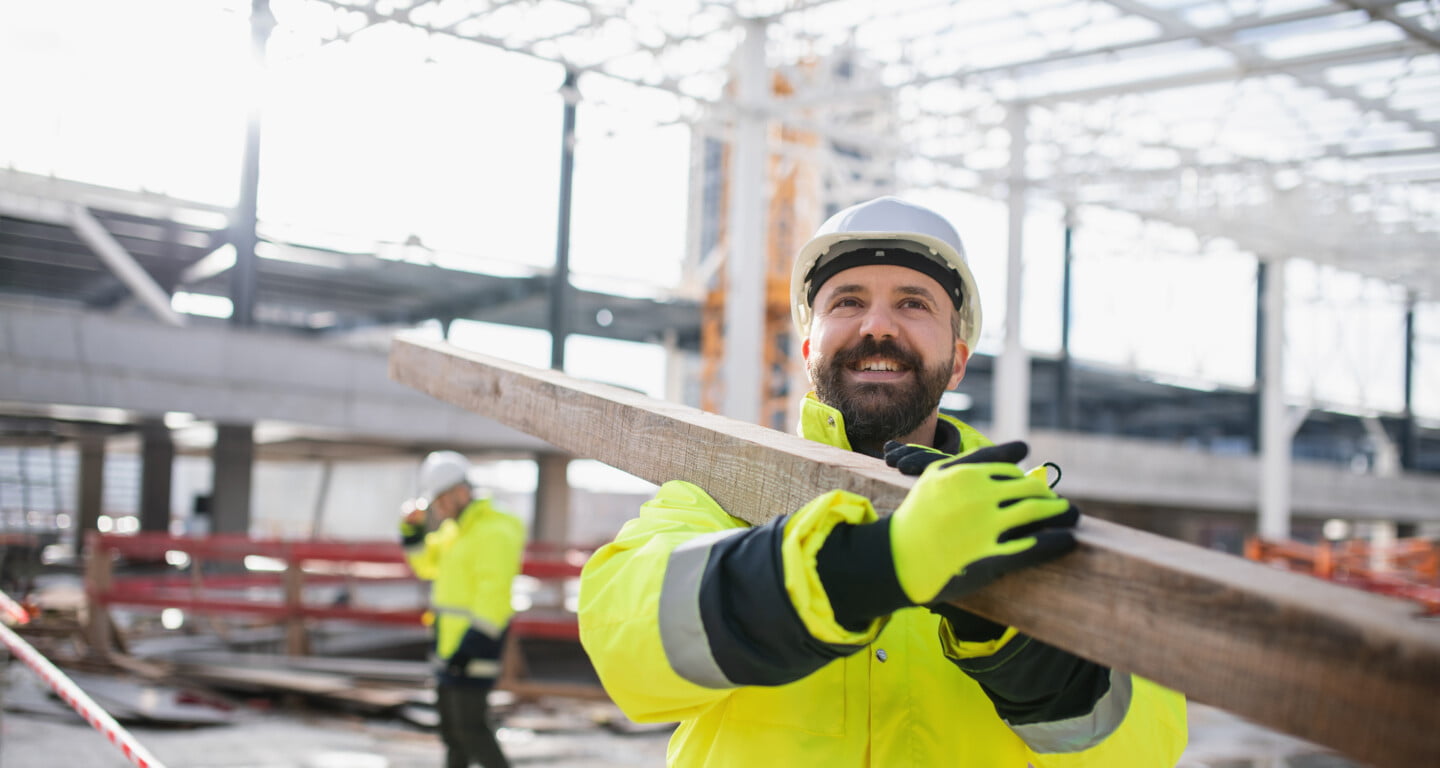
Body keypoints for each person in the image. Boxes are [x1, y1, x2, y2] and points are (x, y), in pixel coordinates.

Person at [577, 196, 1188, 766]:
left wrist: (1008, 630)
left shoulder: (1024, 522)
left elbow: (1138, 745)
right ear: (809, 346)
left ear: (957, 360)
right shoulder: (721, 496)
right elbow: (628, 644)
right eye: (846, 301)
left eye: (913, 304)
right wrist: (867, 566)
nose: (877, 327)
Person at [400, 450, 525, 768]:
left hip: (473, 648)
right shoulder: (455, 531)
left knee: (472, 732)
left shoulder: (493, 531)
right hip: (448, 648)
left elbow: (494, 595)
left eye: (441, 500)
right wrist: (412, 533)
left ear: (461, 492)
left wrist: (471, 646)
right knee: (452, 733)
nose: (438, 509)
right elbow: (426, 566)